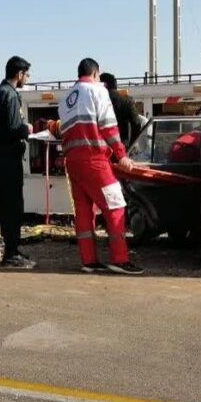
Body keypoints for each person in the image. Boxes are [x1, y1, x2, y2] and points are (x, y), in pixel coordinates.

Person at [55, 58, 143, 275]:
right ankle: (120, 259)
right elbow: (108, 126)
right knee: (115, 206)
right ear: (96, 74)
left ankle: (89, 261)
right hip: (94, 159)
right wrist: (122, 155)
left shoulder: (66, 99)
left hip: (73, 163)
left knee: (84, 211)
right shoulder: (97, 91)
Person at [0, 56, 35, 269]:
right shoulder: (11, 96)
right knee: (14, 205)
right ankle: (11, 254)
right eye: (27, 74)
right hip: (9, 156)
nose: (27, 78)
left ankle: (12, 248)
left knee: (6, 204)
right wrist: (27, 129)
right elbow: (14, 128)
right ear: (19, 74)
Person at [99, 72, 145, 147]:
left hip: (101, 149)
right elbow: (136, 125)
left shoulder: (97, 101)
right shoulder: (127, 101)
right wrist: (130, 146)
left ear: (104, 85)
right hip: (121, 147)